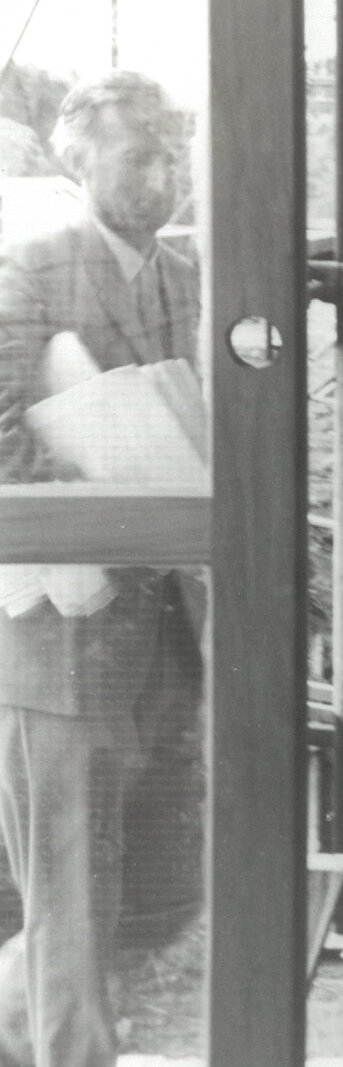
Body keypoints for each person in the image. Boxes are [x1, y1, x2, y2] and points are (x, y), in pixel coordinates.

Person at [0, 72, 203, 1067]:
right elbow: (0, 441)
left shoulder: (190, 273)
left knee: (116, 888)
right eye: (140, 155)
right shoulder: (29, 267)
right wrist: (125, 499)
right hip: (66, 626)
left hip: (165, 627)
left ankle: (25, 1019)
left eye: (175, 153)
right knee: (71, 891)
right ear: (76, 158)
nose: (164, 176)